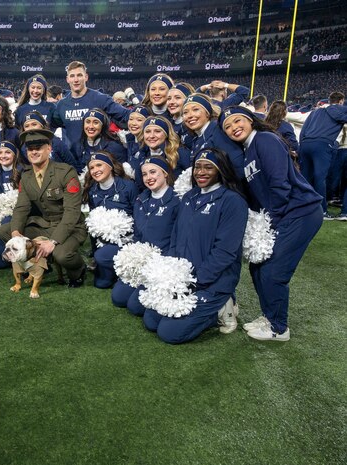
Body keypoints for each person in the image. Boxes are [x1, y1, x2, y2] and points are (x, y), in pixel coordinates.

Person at [221, 106, 323, 341]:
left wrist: (272, 222)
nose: (234, 127)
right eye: (227, 127)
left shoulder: (264, 140)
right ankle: (269, 316)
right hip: (283, 214)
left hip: (300, 212)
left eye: (238, 121)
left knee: (273, 271)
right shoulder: (247, 152)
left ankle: (279, 328)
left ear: (251, 121)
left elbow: (280, 184)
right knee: (257, 267)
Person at [143, 148, 248, 344]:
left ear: (221, 170)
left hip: (211, 283)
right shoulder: (189, 197)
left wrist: (195, 282)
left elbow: (225, 253)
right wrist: (172, 275)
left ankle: (220, 308)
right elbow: (175, 239)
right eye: (197, 167)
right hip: (183, 278)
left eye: (209, 167)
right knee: (151, 320)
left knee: (169, 332)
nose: (201, 172)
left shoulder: (233, 201)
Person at [0, 128, 88, 287]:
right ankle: (40, 263)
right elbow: (21, 208)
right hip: (45, 225)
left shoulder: (65, 172)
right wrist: (16, 233)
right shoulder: (26, 176)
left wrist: (53, 242)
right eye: (30, 149)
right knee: (4, 230)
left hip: (71, 227)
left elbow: (72, 212)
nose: (33, 152)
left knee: (62, 255)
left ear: (49, 148)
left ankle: (79, 269)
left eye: (38, 148)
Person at [111, 156, 180, 314]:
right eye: (144, 174)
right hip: (143, 261)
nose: (149, 177)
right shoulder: (141, 200)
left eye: (153, 172)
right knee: (118, 298)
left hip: (163, 263)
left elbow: (180, 239)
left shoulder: (177, 200)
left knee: (135, 307)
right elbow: (137, 236)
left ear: (165, 173)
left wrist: (167, 263)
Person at [82, 151, 137, 289]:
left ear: (110, 166)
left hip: (127, 242)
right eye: (92, 168)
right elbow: (94, 226)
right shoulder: (92, 191)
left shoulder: (128, 186)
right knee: (101, 283)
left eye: (99, 165)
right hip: (104, 244)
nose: (95, 170)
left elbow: (138, 216)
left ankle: (125, 269)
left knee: (102, 256)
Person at [52, 61, 129, 145]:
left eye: (79, 75)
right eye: (72, 76)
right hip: (71, 156)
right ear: (67, 79)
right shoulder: (61, 105)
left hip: (96, 155)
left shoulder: (100, 99)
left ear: (86, 77)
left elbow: (125, 114)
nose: (76, 80)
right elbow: (51, 125)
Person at [298, 91, 347, 216]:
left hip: (305, 144)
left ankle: (302, 207)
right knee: (320, 178)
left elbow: (304, 130)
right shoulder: (341, 109)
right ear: (341, 101)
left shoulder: (315, 112)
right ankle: (322, 211)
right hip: (322, 145)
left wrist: (302, 145)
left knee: (305, 178)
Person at [182, 93, 244, 179]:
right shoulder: (196, 138)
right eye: (185, 112)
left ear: (207, 113)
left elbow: (237, 162)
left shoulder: (217, 130)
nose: (190, 115)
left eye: (195, 109)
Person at [0, 140, 22, 269]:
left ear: (14, 155)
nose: (3, 155)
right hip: (1, 218)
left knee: (8, 220)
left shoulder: (23, 171)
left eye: (8, 152)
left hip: (20, 216)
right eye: (0, 153)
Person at [71, 109, 127, 173]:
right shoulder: (77, 145)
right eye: (88, 122)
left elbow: (122, 173)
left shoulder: (114, 147)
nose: (91, 126)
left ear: (103, 125)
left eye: (95, 122)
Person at [166, 82, 195, 148]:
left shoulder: (194, 123)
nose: (171, 102)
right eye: (169, 98)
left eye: (177, 98)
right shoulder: (167, 124)